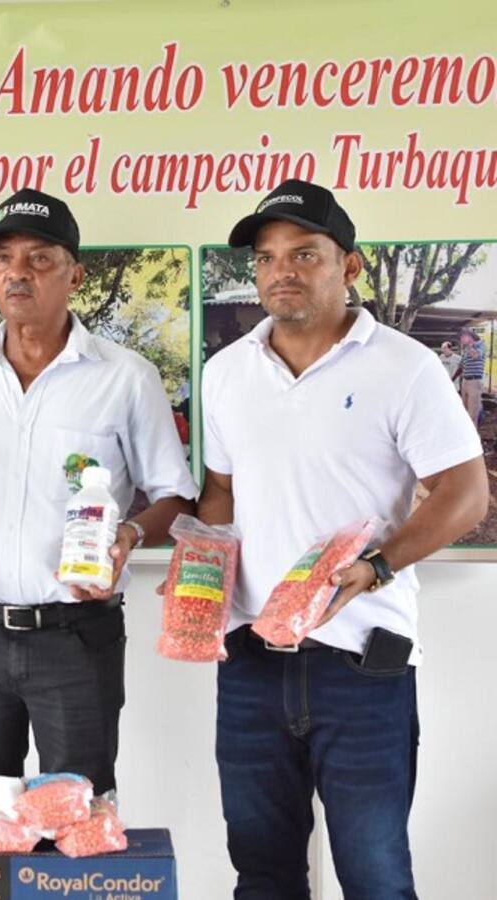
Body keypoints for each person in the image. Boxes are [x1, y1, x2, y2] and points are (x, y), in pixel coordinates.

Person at [202, 179, 487, 899]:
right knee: (262, 874)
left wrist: (378, 566)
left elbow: (466, 495)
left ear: (349, 266)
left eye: (304, 254)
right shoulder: (226, 373)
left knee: (375, 876)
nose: (281, 272)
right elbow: (220, 495)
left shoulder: (404, 367)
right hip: (250, 659)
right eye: (266, 259)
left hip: (364, 662)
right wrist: (197, 578)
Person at [0, 189, 197, 824]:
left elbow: (174, 495)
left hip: (77, 637)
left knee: (79, 825)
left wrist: (130, 532)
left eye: (40, 258)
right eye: (3, 258)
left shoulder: (126, 377)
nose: (18, 272)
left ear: (74, 274)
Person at [458, 327, 486, 426]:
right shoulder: (465, 349)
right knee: (464, 411)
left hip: (474, 381)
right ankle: (465, 433)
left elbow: (476, 356)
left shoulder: (480, 345)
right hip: (465, 381)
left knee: (472, 412)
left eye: (462, 337)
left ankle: (473, 436)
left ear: (469, 336)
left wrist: (469, 345)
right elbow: (462, 366)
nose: (461, 340)